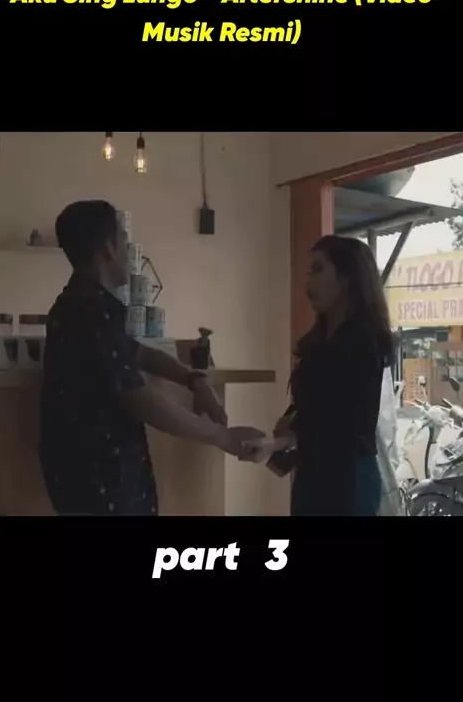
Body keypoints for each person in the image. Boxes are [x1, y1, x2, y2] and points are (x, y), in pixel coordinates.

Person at [39, 200, 263, 516]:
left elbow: (139, 353)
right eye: (124, 239)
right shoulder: (88, 310)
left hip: (93, 477)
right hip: (100, 482)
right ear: (108, 249)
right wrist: (221, 436)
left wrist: (193, 379)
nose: (129, 249)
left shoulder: (83, 304)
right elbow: (139, 398)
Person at [273, 235, 394, 516]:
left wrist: (287, 438)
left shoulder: (361, 342)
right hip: (313, 472)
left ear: (347, 279)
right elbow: (312, 402)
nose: (308, 281)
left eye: (318, 269)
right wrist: (289, 423)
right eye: (308, 271)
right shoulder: (318, 342)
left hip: (348, 478)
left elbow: (341, 420)